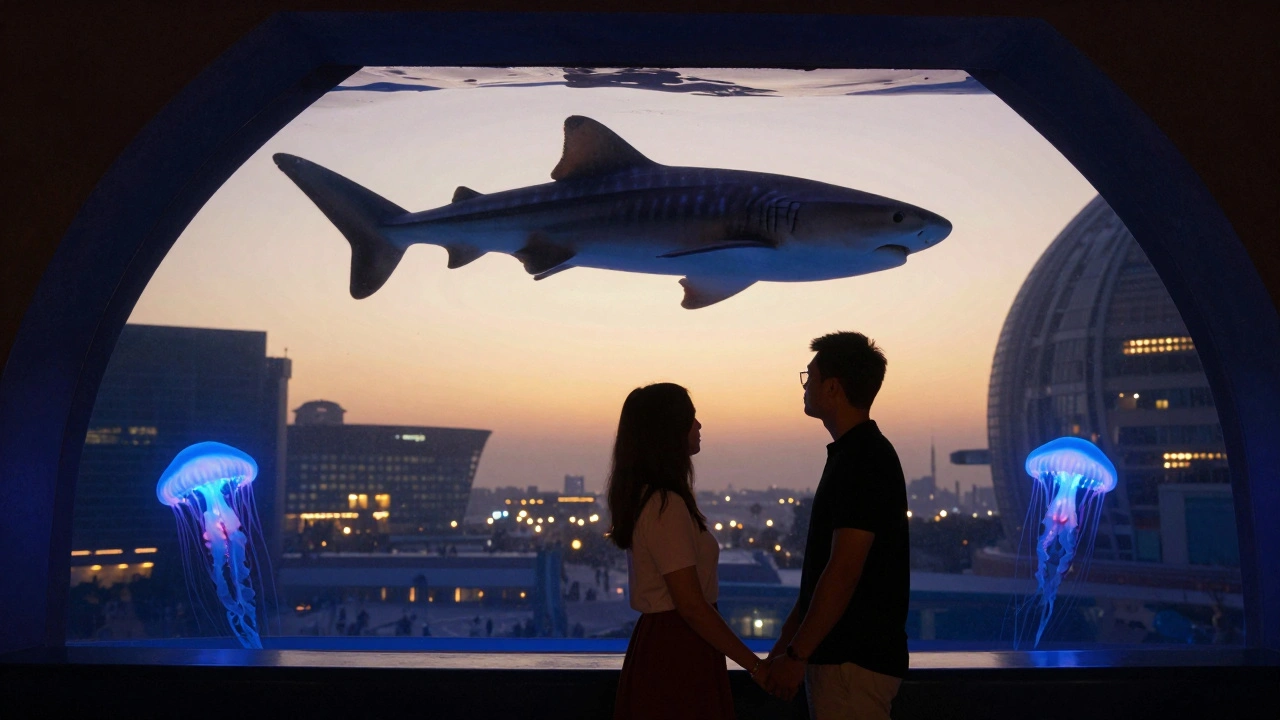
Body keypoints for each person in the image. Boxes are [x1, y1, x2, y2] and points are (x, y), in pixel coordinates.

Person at [764, 332, 910, 719]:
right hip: (849, 663)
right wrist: (787, 642)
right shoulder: (858, 454)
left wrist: (796, 653)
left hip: (852, 664)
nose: (805, 386)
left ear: (832, 387)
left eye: (808, 377)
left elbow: (843, 570)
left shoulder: (862, 459)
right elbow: (823, 572)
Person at [608, 382, 770, 720]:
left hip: (670, 643)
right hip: (678, 649)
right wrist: (756, 667)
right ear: (668, 432)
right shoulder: (664, 504)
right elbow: (692, 605)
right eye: (690, 419)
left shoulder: (651, 499)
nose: (698, 426)